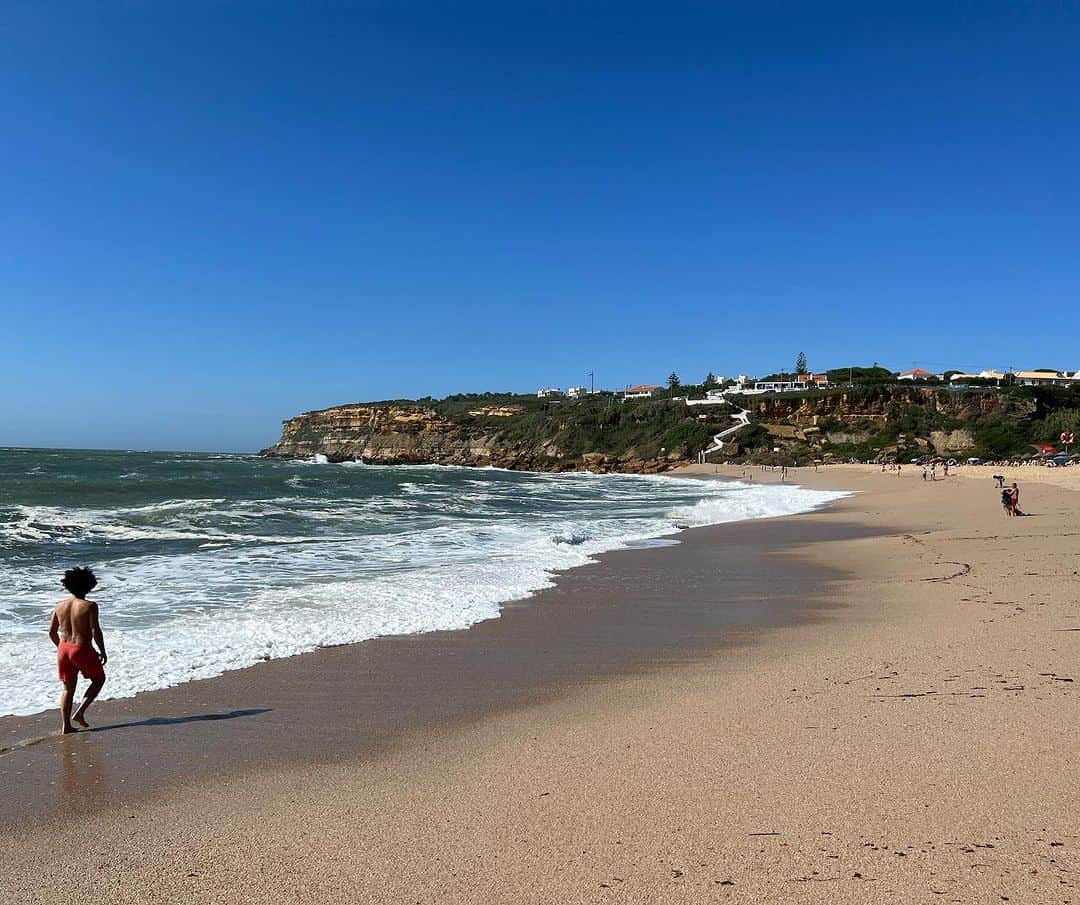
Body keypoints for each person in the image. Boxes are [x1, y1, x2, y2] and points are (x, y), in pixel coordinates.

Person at [48, 567, 107, 734]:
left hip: (63, 649)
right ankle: (80, 712)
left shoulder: (59, 606)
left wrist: (61, 646)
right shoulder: (89, 606)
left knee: (67, 689)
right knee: (99, 679)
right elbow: (95, 631)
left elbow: (51, 632)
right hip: (80, 648)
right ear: (89, 586)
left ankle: (66, 726)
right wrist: (102, 650)